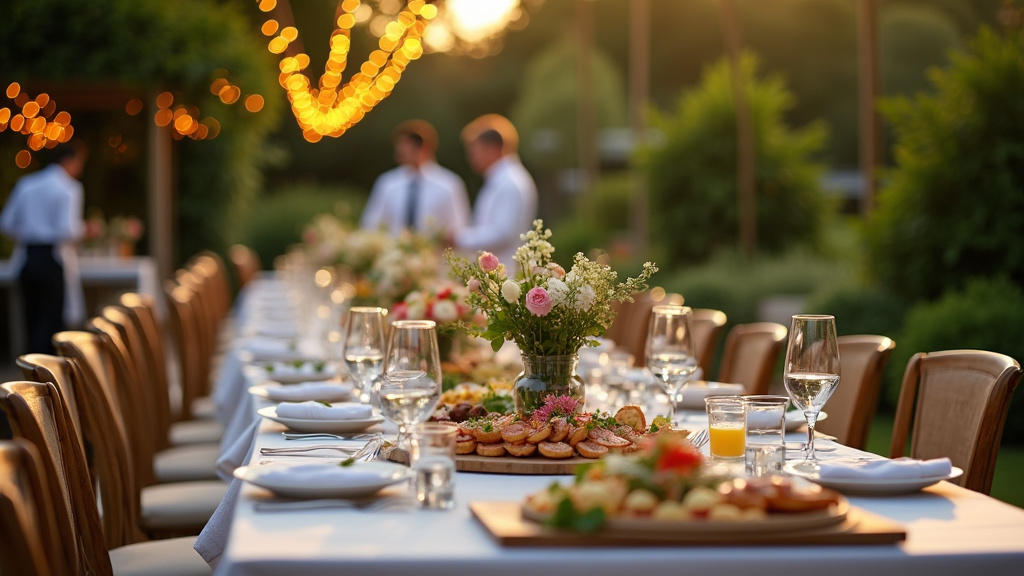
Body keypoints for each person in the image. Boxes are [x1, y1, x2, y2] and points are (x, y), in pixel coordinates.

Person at [0, 141, 87, 354]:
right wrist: (85, 229)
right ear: (68, 161)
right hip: (51, 257)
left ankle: (29, 372)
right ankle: (47, 378)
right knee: (51, 322)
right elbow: (68, 230)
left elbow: (6, 222)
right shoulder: (69, 188)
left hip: (28, 256)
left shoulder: (27, 184)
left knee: (32, 319)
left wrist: (30, 233)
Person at [360, 119, 470, 240]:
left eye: (405, 144)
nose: (400, 149)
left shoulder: (449, 184)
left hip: (435, 256)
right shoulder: (387, 183)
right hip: (394, 254)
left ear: (424, 147)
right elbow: (371, 224)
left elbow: (459, 228)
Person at [455, 114, 538, 269]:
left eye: (474, 151)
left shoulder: (510, 182)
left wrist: (458, 238)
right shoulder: (502, 179)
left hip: (507, 274)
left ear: (492, 149)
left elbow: (502, 233)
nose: (470, 158)